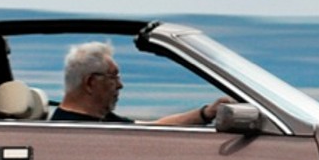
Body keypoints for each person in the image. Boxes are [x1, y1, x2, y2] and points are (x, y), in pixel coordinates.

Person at [49, 41, 229, 126]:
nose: (120, 85)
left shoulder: (99, 121)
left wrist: (206, 113)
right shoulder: (73, 130)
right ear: (90, 83)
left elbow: (154, 128)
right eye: (113, 77)